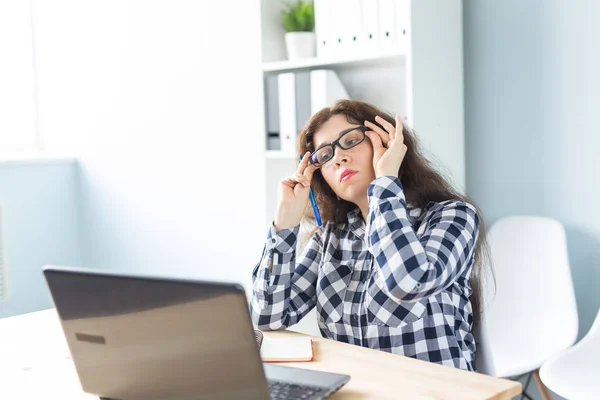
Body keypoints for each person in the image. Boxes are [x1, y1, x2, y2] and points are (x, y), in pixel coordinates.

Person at [251, 100, 491, 372]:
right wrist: (285, 222)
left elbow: (408, 282)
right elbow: (266, 317)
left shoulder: (453, 217)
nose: (338, 157)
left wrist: (386, 181)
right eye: (324, 155)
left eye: (351, 140)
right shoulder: (330, 237)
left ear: (388, 143)